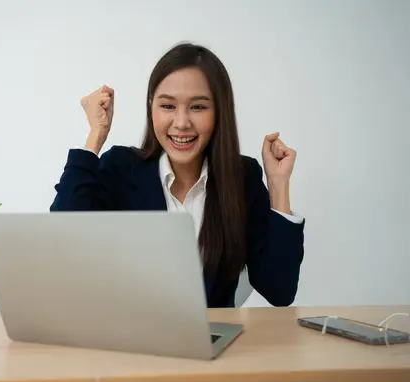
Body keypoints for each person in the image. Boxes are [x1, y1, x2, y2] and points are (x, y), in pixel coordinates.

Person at [50, 42, 305, 308]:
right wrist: (96, 134)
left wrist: (278, 185)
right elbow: (65, 241)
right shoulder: (122, 168)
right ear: (152, 108)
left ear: (219, 112)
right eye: (168, 106)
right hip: (131, 341)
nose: (181, 123)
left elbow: (279, 290)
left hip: (210, 341)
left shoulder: (241, 177)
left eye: (198, 107)